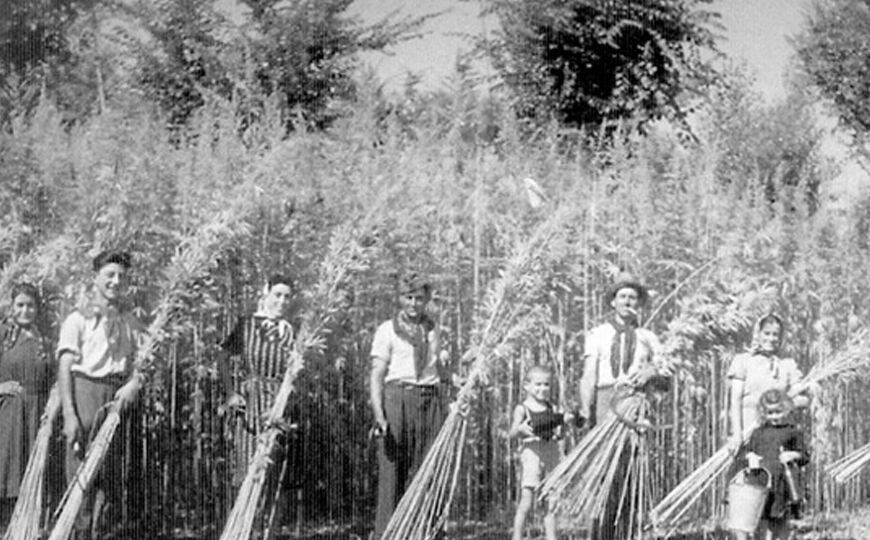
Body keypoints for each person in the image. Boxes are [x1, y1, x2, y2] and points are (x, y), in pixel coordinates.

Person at [57, 250, 144, 539]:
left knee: (109, 477)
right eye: (110, 274)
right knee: (81, 474)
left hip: (117, 399)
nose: (116, 281)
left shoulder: (131, 322)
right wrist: (70, 415)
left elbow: (142, 365)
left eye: (121, 276)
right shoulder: (78, 319)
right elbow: (65, 367)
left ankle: (99, 533)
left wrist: (134, 383)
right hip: (85, 393)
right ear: (96, 278)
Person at [578, 272, 668, 540]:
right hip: (607, 403)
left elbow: (665, 377)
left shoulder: (648, 337)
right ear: (613, 302)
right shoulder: (598, 334)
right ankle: (600, 534)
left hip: (635, 404)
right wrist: (586, 411)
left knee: (630, 471)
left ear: (639, 303)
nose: (628, 301)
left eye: (633, 297)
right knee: (604, 472)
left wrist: (651, 371)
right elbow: (589, 375)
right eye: (623, 296)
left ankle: (626, 532)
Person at [369, 272, 447, 539]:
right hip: (397, 400)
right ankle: (389, 534)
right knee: (392, 474)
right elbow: (377, 375)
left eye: (419, 299)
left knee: (431, 470)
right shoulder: (387, 330)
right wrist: (380, 416)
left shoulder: (434, 329)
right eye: (409, 297)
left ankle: (428, 533)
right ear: (400, 298)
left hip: (430, 401)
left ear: (427, 300)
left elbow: (441, 369)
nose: (414, 304)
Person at [218, 273, 296, 538]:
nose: (282, 301)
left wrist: (285, 403)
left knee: (275, 476)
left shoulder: (294, 331)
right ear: (266, 293)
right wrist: (231, 393)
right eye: (277, 295)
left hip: (280, 407)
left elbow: (297, 374)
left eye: (287, 297)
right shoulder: (248, 324)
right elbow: (223, 356)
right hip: (251, 408)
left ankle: (268, 534)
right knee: (248, 473)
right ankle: (241, 531)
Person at [0, 283, 53, 530]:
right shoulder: (3, 337)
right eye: (20, 305)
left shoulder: (46, 341)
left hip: (36, 416)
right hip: (8, 416)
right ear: (12, 307)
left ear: (38, 308)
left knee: (30, 477)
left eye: (30, 305)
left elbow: (55, 380)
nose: (25, 310)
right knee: (6, 472)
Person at [728, 389, 808, 540]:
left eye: (778, 412)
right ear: (764, 413)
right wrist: (750, 457)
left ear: (786, 409)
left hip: (784, 485)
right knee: (761, 521)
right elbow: (747, 452)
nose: (774, 417)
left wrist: (792, 455)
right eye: (770, 413)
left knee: (780, 520)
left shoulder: (792, 432)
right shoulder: (758, 433)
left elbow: (804, 455)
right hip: (762, 485)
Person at [728, 314, 810, 448]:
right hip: (748, 431)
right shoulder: (743, 361)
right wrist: (737, 434)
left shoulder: (788, 364)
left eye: (775, 335)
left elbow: (803, 400)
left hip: (777, 434)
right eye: (766, 333)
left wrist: (784, 403)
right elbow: (735, 401)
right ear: (758, 334)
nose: (771, 339)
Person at [510, 365, 570, 540]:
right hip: (532, 452)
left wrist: (564, 424)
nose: (542, 389)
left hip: (550, 451)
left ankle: (551, 537)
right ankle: (517, 536)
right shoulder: (523, 409)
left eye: (546, 385)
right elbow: (512, 432)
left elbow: (559, 434)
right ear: (526, 386)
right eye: (538, 384)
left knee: (550, 502)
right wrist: (520, 429)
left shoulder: (552, 408)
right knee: (527, 500)